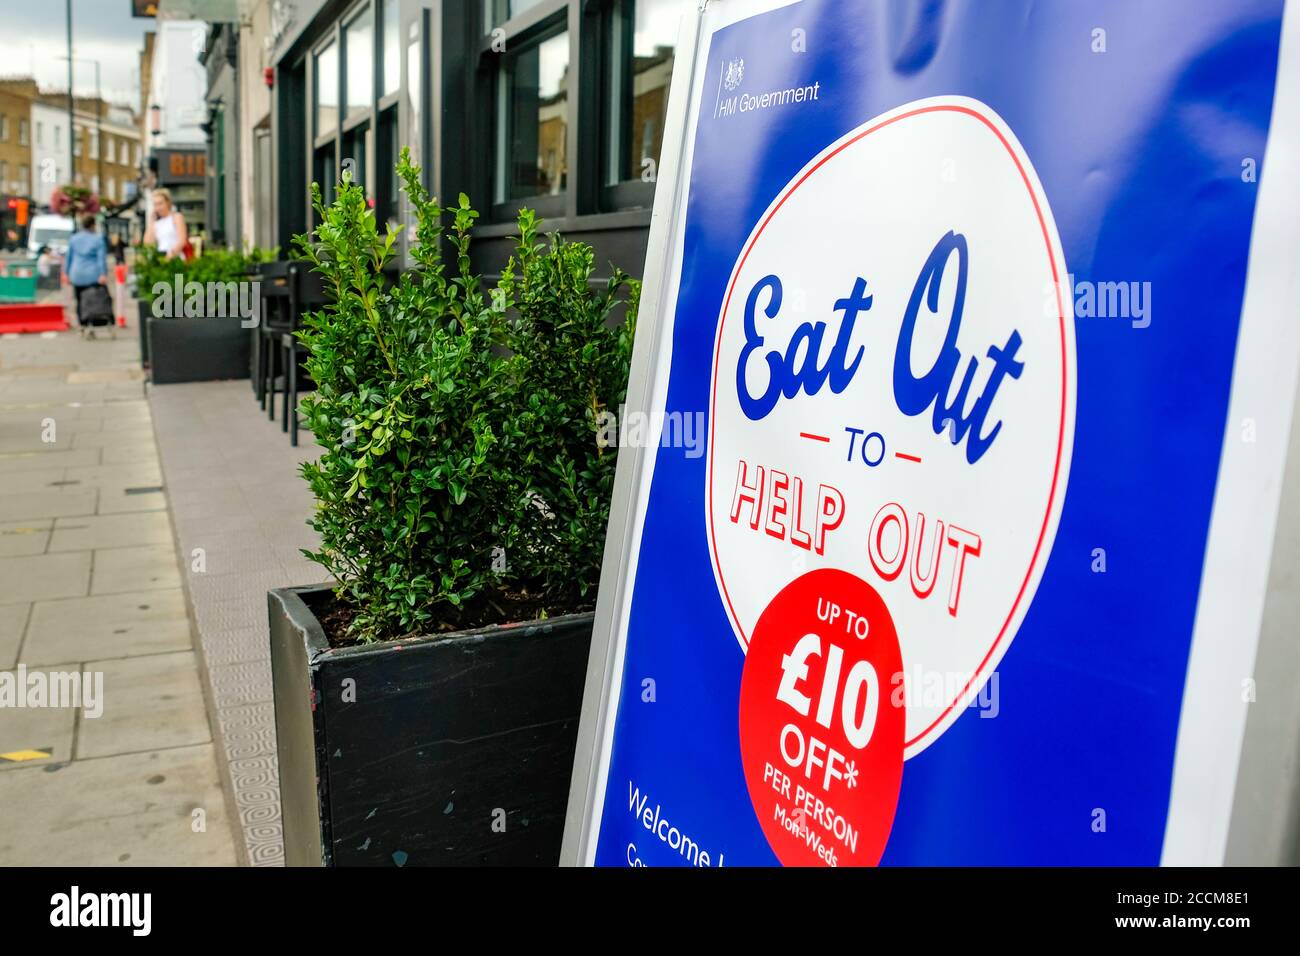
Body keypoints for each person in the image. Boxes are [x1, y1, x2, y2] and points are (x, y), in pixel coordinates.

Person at [64, 213, 108, 328]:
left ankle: (82, 324)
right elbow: (101, 259)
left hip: (76, 274)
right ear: (93, 225)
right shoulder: (98, 239)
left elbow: (69, 257)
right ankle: (92, 322)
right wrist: (103, 273)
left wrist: (66, 273)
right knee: (93, 299)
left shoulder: (74, 238)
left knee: (79, 299)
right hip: (92, 275)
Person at [143, 188, 189, 259]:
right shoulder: (157, 223)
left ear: (167, 202)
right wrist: (151, 222)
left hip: (175, 258)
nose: (158, 207)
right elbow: (147, 244)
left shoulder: (176, 217)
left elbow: (182, 240)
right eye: (155, 204)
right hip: (161, 257)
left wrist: (171, 254)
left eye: (160, 203)